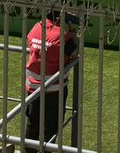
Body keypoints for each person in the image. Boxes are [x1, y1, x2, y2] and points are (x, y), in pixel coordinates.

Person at [24, 10, 80, 147]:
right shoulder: (62, 35)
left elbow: (30, 42)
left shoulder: (37, 27)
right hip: (54, 89)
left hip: (33, 87)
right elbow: (75, 52)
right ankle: (47, 149)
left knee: (33, 122)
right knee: (51, 127)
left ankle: (29, 149)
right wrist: (72, 30)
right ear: (59, 19)